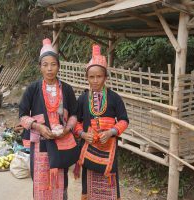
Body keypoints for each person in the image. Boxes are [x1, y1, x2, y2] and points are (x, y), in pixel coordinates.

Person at [19, 38, 79, 200]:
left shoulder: (66, 89)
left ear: (58, 66)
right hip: (39, 144)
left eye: (53, 64)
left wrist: (66, 129)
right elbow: (22, 115)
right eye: (45, 64)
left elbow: (74, 114)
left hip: (61, 141)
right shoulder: (32, 89)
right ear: (40, 67)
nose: (49, 69)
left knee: (60, 182)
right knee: (40, 181)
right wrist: (39, 127)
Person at [75, 45, 129, 200]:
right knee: (89, 189)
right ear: (87, 78)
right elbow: (75, 122)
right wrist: (84, 134)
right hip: (89, 150)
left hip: (109, 152)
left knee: (109, 187)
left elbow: (124, 120)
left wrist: (111, 132)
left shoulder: (114, 98)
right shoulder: (83, 99)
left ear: (106, 77)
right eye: (91, 77)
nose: (95, 80)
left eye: (99, 76)